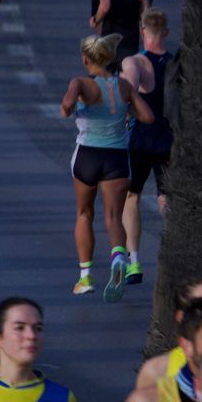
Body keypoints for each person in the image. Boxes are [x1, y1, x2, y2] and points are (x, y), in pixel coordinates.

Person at [63, 33, 152, 301]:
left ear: (85, 59)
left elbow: (67, 105)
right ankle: (117, 259)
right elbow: (147, 116)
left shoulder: (80, 83)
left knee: (83, 213)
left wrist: (71, 106)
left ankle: (85, 277)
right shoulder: (123, 86)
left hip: (87, 154)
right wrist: (127, 112)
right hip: (116, 157)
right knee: (113, 216)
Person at [121, 10, 174, 287]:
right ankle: (177, 246)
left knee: (133, 196)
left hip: (141, 138)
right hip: (169, 139)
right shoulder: (176, 63)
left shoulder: (136, 62)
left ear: (143, 30)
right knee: (166, 197)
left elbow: (127, 89)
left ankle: (134, 262)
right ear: (166, 32)